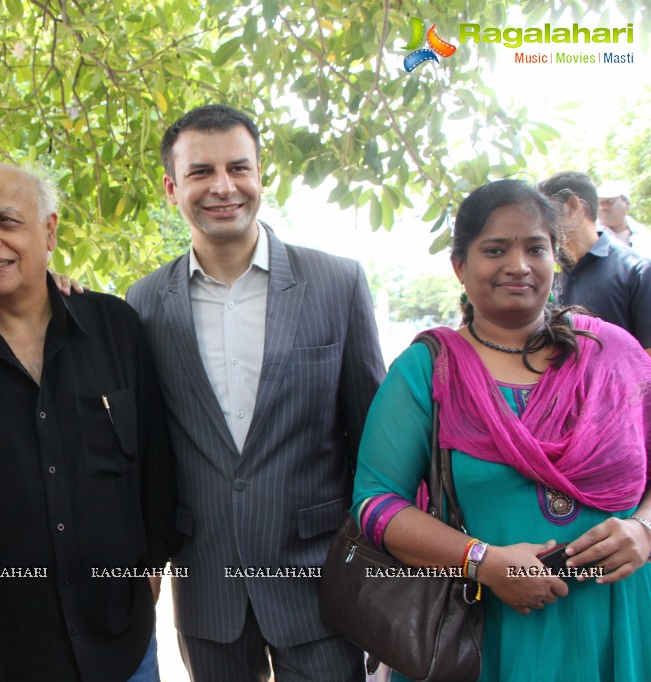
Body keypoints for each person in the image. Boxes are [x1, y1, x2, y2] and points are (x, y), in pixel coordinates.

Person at [126, 104, 386, 681]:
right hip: (207, 586)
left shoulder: (336, 283)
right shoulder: (142, 304)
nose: (223, 186)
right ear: (173, 188)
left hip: (322, 583)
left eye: (238, 168)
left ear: (260, 176)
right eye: (200, 172)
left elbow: (376, 443)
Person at [353, 178, 651, 681]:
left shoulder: (614, 354)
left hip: (620, 618)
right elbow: (376, 504)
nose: (518, 265)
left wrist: (644, 529)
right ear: (460, 267)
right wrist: (484, 562)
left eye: (535, 247)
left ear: (554, 258)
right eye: (496, 250)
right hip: (489, 625)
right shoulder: (428, 371)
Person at [0, 161, 177, 682]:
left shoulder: (115, 328)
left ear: (49, 231)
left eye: (7, 221)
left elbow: (156, 466)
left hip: (122, 650)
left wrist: (146, 579)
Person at [537, 171, 651, 352]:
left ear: (572, 205)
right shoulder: (548, 270)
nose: (538, 220)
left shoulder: (637, 271)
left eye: (545, 208)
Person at [598, 179, 650, 256]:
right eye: (600, 203)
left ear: (627, 204)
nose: (603, 207)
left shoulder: (643, 234)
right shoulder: (593, 235)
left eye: (610, 202)